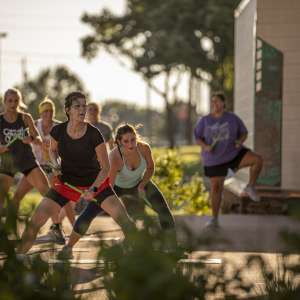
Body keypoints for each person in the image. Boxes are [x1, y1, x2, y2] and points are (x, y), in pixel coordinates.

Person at [17, 91, 135, 258]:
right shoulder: (57, 131)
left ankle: (141, 257)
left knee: (126, 221)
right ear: (68, 110)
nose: (82, 109)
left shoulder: (94, 134)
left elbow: (106, 167)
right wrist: (55, 166)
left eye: (84, 105)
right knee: (34, 223)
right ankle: (16, 260)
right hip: (65, 183)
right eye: (77, 106)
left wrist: (93, 189)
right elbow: (51, 151)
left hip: (96, 183)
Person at [194, 92, 263, 229]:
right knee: (216, 188)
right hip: (214, 159)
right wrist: (205, 146)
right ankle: (214, 219)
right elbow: (197, 137)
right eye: (213, 101)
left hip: (233, 153)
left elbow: (244, 132)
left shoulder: (232, 118)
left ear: (224, 103)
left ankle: (250, 186)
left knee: (257, 160)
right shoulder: (205, 120)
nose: (215, 104)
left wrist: (240, 142)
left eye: (218, 101)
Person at [12, 97, 75, 244]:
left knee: (61, 198)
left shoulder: (59, 127)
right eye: (45, 111)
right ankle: (10, 228)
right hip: (35, 167)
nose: (48, 113)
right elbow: (27, 138)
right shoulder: (34, 124)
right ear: (40, 113)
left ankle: (71, 228)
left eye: (51, 110)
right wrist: (31, 140)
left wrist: (54, 146)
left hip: (52, 167)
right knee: (17, 196)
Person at [109, 123, 176, 243]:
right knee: (132, 216)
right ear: (119, 142)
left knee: (163, 210)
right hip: (119, 188)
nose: (131, 144)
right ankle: (131, 243)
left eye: (133, 139)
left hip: (139, 182)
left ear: (136, 136)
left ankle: (172, 244)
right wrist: (110, 203)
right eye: (126, 141)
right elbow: (110, 184)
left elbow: (150, 168)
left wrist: (142, 185)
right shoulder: (114, 156)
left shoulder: (144, 148)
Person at [0, 88, 49, 215]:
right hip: (8, 163)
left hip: (27, 161)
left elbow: (38, 138)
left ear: (19, 102)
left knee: (47, 192)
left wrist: (32, 138)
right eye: (10, 101)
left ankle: (56, 226)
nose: (13, 104)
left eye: (16, 101)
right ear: (4, 102)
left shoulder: (25, 117)